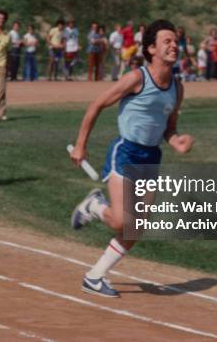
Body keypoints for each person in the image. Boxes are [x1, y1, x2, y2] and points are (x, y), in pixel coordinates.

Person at [69, 20, 193, 298]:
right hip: (126, 152)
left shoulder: (178, 87)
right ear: (151, 48)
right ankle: (95, 205)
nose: (174, 45)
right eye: (167, 41)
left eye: (176, 41)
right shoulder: (137, 78)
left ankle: (94, 276)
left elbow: (169, 129)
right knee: (120, 221)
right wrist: (80, 145)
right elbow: (97, 104)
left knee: (137, 226)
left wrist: (178, 142)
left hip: (151, 158)